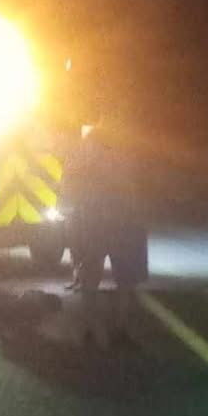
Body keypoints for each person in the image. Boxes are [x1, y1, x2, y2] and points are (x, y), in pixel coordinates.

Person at [69, 122, 148, 348]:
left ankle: (90, 332)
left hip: (93, 227)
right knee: (125, 283)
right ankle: (120, 331)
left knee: (89, 282)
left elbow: (73, 199)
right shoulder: (124, 163)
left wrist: (76, 242)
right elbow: (135, 195)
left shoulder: (83, 165)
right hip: (122, 227)